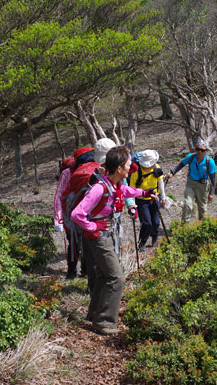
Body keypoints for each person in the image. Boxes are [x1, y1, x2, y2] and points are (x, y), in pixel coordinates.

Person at [71, 145, 156, 335]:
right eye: (127, 165)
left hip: (105, 235)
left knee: (104, 275)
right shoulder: (99, 188)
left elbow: (125, 193)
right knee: (116, 277)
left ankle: (94, 314)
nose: (130, 168)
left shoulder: (114, 185)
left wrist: (144, 193)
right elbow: (77, 214)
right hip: (98, 237)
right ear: (118, 169)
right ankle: (105, 322)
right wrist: (93, 227)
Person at [81, 138, 137, 292]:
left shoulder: (116, 170)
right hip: (95, 224)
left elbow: (124, 188)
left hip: (114, 219)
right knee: (95, 258)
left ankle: (107, 288)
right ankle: (95, 290)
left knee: (112, 254)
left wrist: (131, 205)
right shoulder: (91, 173)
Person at [54, 147, 93, 279]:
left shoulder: (92, 171)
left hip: (86, 214)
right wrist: (58, 217)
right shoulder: (66, 173)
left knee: (86, 243)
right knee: (74, 244)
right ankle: (72, 271)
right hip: (70, 215)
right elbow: (59, 195)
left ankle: (85, 272)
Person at [165, 139, 217, 224]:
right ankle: (184, 227)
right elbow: (181, 164)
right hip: (191, 183)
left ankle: (203, 227)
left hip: (203, 186)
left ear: (206, 151)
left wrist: (211, 193)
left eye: (202, 150)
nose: (199, 152)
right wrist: (172, 173)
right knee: (187, 204)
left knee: (202, 207)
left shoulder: (210, 162)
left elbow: (213, 178)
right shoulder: (191, 157)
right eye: (198, 149)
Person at [129, 149, 166, 251]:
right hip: (141, 200)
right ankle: (142, 243)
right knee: (146, 222)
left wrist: (163, 198)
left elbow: (160, 184)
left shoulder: (157, 168)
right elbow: (131, 189)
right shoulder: (136, 171)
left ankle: (154, 238)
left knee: (156, 221)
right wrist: (132, 205)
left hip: (155, 198)